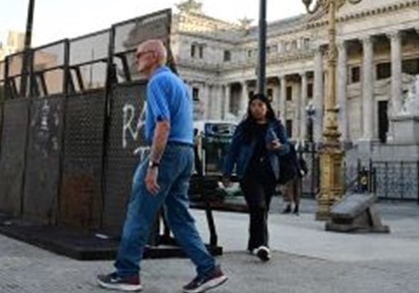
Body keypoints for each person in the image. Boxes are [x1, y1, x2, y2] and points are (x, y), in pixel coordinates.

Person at [96, 40, 227, 293]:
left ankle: (127, 274)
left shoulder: (157, 81)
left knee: (139, 214)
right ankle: (208, 270)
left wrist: (153, 164)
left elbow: (163, 124)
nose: (136, 60)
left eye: (139, 54)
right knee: (179, 218)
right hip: (185, 152)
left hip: (166, 154)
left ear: (154, 56)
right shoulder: (179, 83)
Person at [222, 93, 290, 262]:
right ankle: (263, 246)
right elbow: (233, 151)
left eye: (260, 105)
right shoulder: (243, 127)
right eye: (253, 105)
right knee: (259, 207)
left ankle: (253, 244)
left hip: (268, 172)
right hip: (248, 172)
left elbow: (287, 148)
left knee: (260, 209)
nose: (257, 109)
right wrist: (227, 173)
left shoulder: (276, 126)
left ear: (267, 107)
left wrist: (279, 146)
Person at [281, 141, 307, 215]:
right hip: (296, 174)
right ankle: (294, 207)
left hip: (290, 174)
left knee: (289, 191)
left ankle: (291, 205)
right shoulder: (295, 156)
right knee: (295, 191)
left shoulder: (287, 155)